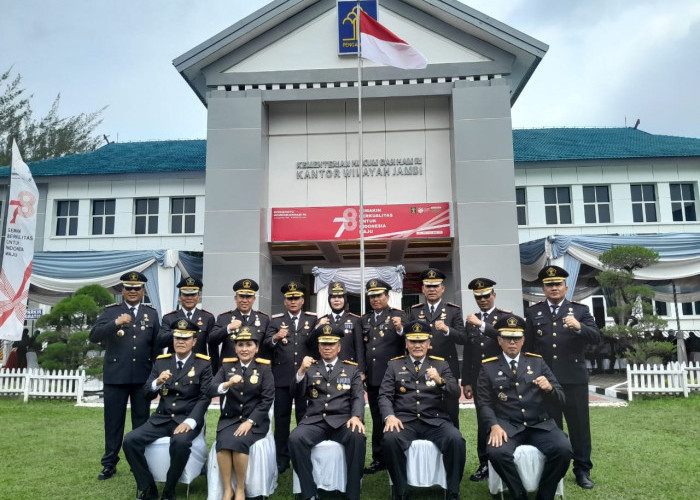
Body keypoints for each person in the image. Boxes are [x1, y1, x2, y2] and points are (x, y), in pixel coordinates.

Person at [478, 313, 572, 500]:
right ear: (499, 340)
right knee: (496, 453)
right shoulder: (488, 367)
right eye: (507, 338)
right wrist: (494, 426)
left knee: (564, 449)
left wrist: (550, 389)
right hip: (508, 425)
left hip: (539, 424)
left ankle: (545, 494)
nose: (512, 342)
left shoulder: (537, 362)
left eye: (516, 338)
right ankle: (518, 493)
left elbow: (561, 397)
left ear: (523, 340)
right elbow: (484, 403)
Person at [524, 265, 601, 489]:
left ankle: (582, 469)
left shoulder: (580, 311)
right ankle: (555, 467)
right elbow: (527, 348)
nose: (554, 288)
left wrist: (579, 327)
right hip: (546, 382)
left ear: (566, 288)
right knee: (551, 427)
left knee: (579, 427)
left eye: (558, 284)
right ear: (543, 288)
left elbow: (596, 337)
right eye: (549, 285)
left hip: (574, 380)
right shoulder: (533, 312)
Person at [122, 319, 213, 500]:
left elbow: (205, 397)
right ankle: (148, 487)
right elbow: (146, 393)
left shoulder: (203, 364)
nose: (180, 341)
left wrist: (190, 422)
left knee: (180, 443)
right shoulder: (162, 362)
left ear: (194, 341)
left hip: (186, 418)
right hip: (161, 418)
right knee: (130, 441)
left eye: (186, 338)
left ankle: (169, 489)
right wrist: (157, 382)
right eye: (177, 337)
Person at [379, 321, 466, 500]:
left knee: (456, 439)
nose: (417, 345)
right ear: (406, 343)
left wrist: (440, 380)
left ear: (429, 343)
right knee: (389, 440)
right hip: (405, 421)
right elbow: (384, 395)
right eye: (412, 341)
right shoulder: (394, 366)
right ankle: (400, 489)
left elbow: (456, 393)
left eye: (421, 341)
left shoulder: (441, 365)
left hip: (435, 420)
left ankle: (453, 489)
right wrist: (390, 416)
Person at [89, 271, 161, 481]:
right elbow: (94, 336)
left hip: (142, 377)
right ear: (122, 290)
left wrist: (155, 374)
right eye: (128, 287)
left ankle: (137, 461)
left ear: (143, 291)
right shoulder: (111, 311)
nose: (132, 291)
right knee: (113, 422)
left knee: (141, 421)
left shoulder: (152, 314)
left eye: (136, 288)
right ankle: (109, 463)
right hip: (116, 376)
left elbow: (156, 345)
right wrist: (116, 323)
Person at [289, 325, 366, 500]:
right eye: (323, 344)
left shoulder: (351, 369)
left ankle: (353, 493)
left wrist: (356, 416)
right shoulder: (310, 367)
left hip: (343, 421)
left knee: (357, 437)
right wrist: (301, 371)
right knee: (295, 438)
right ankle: (309, 493)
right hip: (316, 420)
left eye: (331, 344)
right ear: (318, 347)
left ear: (339, 347)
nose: (327, 348)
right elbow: (294, 392)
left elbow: (358, 397)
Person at [208, 327, 274, 500]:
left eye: (249, 344)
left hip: (255, 422)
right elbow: (210, 389)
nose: (244, 349)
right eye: (240, 345)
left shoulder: (264, 369)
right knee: (222, 445)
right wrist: (228, 383)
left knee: (239, 444)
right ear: (235, 348)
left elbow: (266, 400)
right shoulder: (227, 366)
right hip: (230, 419)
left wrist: (250, 421)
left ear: (256, 348)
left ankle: (240, 489)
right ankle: (227, 489)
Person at [263, 280, 317, 474]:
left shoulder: (313, 320)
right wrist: (276, 337)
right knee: (282, 419)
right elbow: (265, 345)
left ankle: (303, 454)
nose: (293, 302)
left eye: (296, 298)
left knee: (304, 417)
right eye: (289, 299)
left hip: (305, 378)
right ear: (285, 301)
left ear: (303, 300)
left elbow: (318, 347)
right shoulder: (275, 321)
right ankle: (282, 458)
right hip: (282, 378)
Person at [461, 277, 510, 482]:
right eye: (478, 297)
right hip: (480, 380)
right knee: (483, 421)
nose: (482, 300)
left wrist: (481, 325)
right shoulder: (470, 320)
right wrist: (466, 381)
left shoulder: (504, 318)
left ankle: (502, 458)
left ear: (494, 295)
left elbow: (506, 338)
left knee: (504, 418)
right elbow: (469, 352)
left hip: (501, 378)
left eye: (486, 296)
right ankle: (484, 463)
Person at [361, 278, 407, 474]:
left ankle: (395, 454)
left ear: (387, 296)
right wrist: (362, 372)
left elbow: (412, 341)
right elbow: (361, 348)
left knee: (394, 416)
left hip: (393, 378)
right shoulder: (364, 319)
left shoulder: (399, 316)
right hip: (372, 378)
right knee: (377, 417)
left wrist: (400, 328)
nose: (375, 299)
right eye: (372, 296)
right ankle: (379, 458)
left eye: (379, 295)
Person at [409, 268, 465, 427]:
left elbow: (463, 338)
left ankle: (453, 445)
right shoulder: (415, 310)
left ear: (442, 288)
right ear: (422, 289)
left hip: (447, 366)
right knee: (423, 406)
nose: (432, 289)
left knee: (450, 410)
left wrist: (447, 330)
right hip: (422, 366)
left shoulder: (453, 310)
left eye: (435, 286)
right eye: (428, 286)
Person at [211, 278, 270, 371]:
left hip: (256, 370)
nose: (245, 300)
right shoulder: (224, 318)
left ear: (254, 299)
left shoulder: (264, 319)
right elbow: (211, 340)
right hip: (230, 369)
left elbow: (267, 346)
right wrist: (228, 328)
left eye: (248, 297)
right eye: (241, 296)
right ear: (235, 298)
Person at [309, 281, 365, 374]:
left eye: (340, 297)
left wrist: (361, 371)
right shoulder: (321, 320)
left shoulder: (355, 320)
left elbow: (359, 348)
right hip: (326, 369)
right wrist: (318, 327)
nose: (336, 300)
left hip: (349, 368)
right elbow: (310, 344)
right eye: (333, 297)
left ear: (345, 299)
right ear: (329, 300)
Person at [159, 276, 216, 365]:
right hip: (174, 366)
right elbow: (161, 341)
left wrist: (213, 370)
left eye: (193, 294)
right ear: (179, 297)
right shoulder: (169, 318)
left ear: (198, 297)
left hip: (199, 366)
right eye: (186, 294)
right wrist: (178, 331)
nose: (189, 298)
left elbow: (212, 346)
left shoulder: (207, 317)